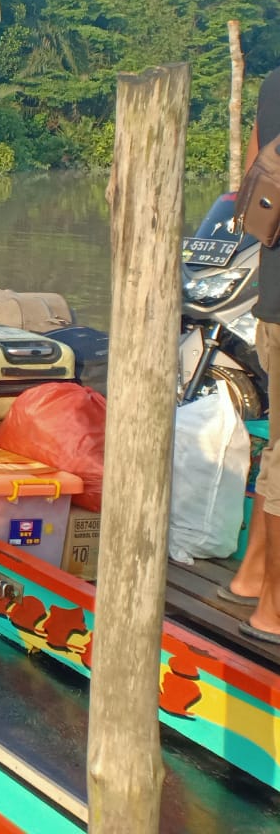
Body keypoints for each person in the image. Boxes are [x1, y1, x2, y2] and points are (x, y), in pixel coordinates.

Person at [229, 80, 280, 645]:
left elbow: (247, 181)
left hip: (272, 296)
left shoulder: (272, 84)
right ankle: (273, 609)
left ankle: (253, 578)